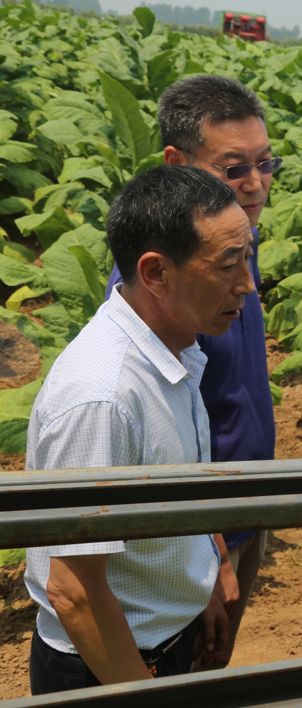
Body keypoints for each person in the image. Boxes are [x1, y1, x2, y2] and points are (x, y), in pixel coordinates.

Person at [23, 165, 255, 693]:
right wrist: (139, 691)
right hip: (107, 664)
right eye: (227, 264)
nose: (248, 283)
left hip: (159, 640)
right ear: (155, 273)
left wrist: (209, 570)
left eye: (247, 257)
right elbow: (74, 590)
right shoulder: (102, 396)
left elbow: (177, 478)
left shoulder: (174, 344)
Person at [105, 75, 278, 667]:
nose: (255, 185)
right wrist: (212, 554)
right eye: (234, 169)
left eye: (265, 162)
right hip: (199, 532)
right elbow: (170, 438)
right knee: (188, 669)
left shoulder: (233, 243)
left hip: (238, 508)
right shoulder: (167, 285)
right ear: (176, 164)